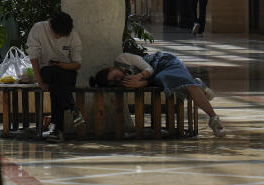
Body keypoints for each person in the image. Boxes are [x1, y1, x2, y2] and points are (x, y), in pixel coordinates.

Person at [91, 50, 226, 137]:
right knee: (168, 81)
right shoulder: (124, 81)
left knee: (167, 79)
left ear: (110, 68)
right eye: (115, 82)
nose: (118, 79)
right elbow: (151, 81)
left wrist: (139, 79)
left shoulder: (123, 59)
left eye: (115, 76)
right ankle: (198, 86)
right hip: (157, 77)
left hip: (164, 62)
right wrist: (141, 83)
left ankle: (213, 118)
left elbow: (149, 69)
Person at [26, 11, 85, 142]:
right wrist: (39, 81)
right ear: (50, 25)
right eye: (55, 33)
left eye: (61, 35)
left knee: (58, 82)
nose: (58, 37)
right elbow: (34, 57)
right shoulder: (38, 29)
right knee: (56, 75)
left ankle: (56, 130)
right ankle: (71, 107)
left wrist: (62, 65)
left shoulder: (73, 35)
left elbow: (77, 64)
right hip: (47, 71)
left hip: (67, 72)